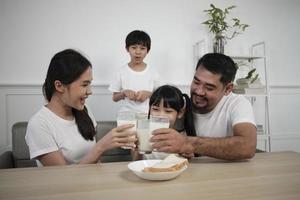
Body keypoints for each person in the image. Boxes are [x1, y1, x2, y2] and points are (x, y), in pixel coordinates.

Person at [25, 49, 137, 166]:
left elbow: (96, 163)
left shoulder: (84, 110)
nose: (90, 91)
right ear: (59, 86)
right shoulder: (39, 124)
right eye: (84, 85)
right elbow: (61, 177)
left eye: (90, 84)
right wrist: (100, 147)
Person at [150, 53, 257, 160]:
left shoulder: (237, 104)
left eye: (209, 88)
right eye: (196, 82)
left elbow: (248, 146)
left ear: (228, 89)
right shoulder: (178, 107)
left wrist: (187, 144)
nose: (199, 91)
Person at [133, 85, 196, 160]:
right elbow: (135, 162)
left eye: (168, 111)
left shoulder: (181, 139)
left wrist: (190, 156)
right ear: (149, 109)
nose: (161, 116)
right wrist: (138, 149)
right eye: (155, 109)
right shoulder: (142, 133)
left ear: (180, 113)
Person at [109, 30, 160, 114]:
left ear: (148, 51)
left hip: (147, 115)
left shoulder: (152, 72)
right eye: (134, 47)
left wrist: (149, 94)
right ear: (127, 49)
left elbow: (160, 95)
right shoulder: (121, 71)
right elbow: (114, 98)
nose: (138, 52)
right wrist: (124, 93)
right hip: (126, 114)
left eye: (142, 48)